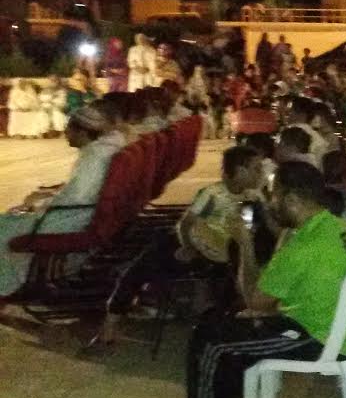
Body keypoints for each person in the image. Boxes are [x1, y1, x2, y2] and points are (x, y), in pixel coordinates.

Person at [184, 163, 346, 398]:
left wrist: (244, 244)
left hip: (314, 335)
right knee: (227, 331)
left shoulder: (303, 246)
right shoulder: (340, 226)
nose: (270, 202)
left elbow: (254, 300)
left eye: (275, 195)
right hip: (337, 324)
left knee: (212, 341)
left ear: (292, 200)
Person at [93, 145, 266, 347]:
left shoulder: (251, 198)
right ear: (240, 171)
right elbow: (186, 224)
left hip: (219, 254)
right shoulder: (213, 195)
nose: (261, 173)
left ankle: (218, 327)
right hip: (187, 243)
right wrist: (188, 247)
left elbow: (245, 228)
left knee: (234, 280)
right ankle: (110, 324)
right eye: (256, 169)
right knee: (138, 270)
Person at [0, 106, 127, 298]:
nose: (65, 134)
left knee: (5, 226)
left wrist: (40, 202)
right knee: (10, 217)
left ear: (82, 132)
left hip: (71, 218)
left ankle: (6, 288)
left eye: (69, 129)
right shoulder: (99, 151)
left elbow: (78, 198)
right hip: (78, 213)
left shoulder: (94, 157)